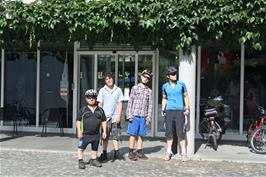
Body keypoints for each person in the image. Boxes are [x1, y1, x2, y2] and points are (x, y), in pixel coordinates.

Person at [161, 66, 190, 162]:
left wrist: (187, 107)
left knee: (181, 133)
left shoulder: (181, 84)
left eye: (175, 73)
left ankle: (184, 154)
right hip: (169, 111)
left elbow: (186, 96)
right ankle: (169, 152)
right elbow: (164, 98)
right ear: (168, 76)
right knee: (169, 133)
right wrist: (163, 109)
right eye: (173, 74)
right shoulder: (165, 86)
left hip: (179, 111)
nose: (175, 75)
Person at [76, 89, 107, 169]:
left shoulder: (100, 110)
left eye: (93, 97)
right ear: (86, 99)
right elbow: (78, 121)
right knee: (81, 148)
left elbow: (104, 121)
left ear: (96, 98)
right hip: (85, 134)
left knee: (95, 148)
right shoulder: (83, 110)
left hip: (96, 134)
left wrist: (104, 131)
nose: (91, 99)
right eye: (89, 97)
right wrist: (79, 131)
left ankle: (93, 160)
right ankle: (80, 161)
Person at [97, 72, 124, 162]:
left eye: (110, 78)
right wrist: (100, 117)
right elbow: (100, 104)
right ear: (105, 81)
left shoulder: (118, 90)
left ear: (113, 79)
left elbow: (120, 103)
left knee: (115, 135)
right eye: (107, 79)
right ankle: (104, 153)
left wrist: (119, 115)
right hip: (105, 117)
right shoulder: (102, 90)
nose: (109, 80)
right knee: (105, 136)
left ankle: (117, 152)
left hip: (115, 116)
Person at [126, 69, 153, 161]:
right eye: (145, 77)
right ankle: (131, 151)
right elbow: (130, 102)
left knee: (141, 134)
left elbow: (150, 105)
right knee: (133, 134)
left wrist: (148, 117)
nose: (146, 79)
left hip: (143, 116)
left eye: (148, 78)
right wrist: (129, 115)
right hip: (134, 115)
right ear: (141, 76)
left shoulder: (149, 91)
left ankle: (139, 151)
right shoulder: (134, 88)